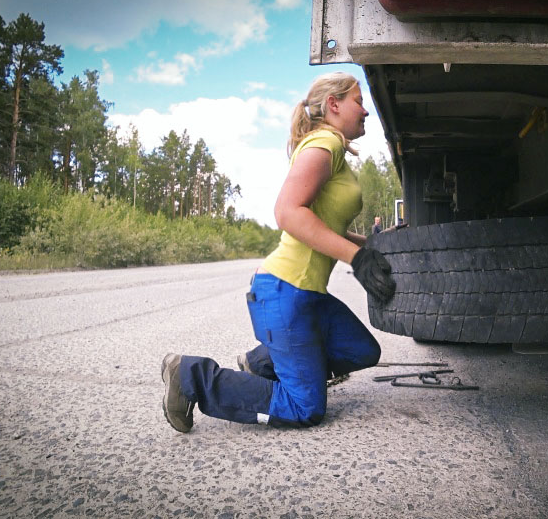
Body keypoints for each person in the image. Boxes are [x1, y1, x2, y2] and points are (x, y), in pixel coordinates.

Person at [161, 72, 396, 432]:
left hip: (307, 296)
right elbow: (287, 213)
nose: (365, 112)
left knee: (362, 350)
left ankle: (262, 363)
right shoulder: (324, 144)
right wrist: (356, 258)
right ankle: (191, 376)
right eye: (359, 102)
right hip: (284, 293)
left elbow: (324, 223)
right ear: (333, 104)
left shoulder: (332, 149)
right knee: (304, 407)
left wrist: (371, 244)